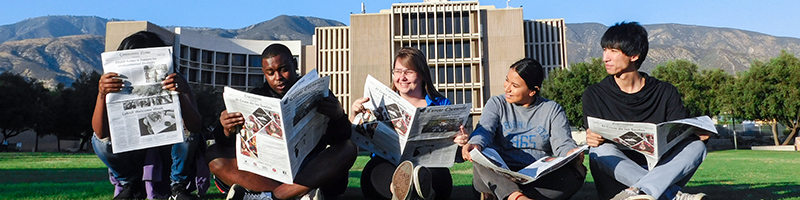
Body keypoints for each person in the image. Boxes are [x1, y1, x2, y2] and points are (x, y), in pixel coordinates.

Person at [206, 43, 357, 200]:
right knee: (214, 155)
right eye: (270, 73)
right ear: (264, 74)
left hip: (310, 169)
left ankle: (273, 197)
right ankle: (298, 195)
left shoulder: (318, 92)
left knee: (348, 148)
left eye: (283, 69)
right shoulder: (256, 96)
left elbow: (341, 137)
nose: (278, 78)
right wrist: (226, 129)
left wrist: (339, 115)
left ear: (294, 65)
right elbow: (228, 144)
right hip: (268, 173)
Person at [582, 22, 710, 200]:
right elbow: (596, 141)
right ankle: (672, 196)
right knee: (600, 151)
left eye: (613, 51)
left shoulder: (665, 91)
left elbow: (678, 136)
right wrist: (592, 138)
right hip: (616, 176)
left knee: (696, 147)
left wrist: (698, 135)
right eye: (604, 50)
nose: (605, 58)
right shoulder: (594, 94)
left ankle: (639, 193)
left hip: (659, 169)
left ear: (634, 55)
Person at [92, 31, 204, 200]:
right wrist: (102, 94)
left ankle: (177, 185)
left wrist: (179, 94)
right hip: (132, 150)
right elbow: (100, 135)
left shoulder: (177, 81)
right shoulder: (112, 84)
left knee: (186, 129)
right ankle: (130, 184)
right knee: (99, 141)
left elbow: (195, 127)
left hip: (168, 150)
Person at [350, 47, 469, 200]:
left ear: (422, 74)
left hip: (427, 165)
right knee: (376, 170)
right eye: (397, 72)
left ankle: (412, 190)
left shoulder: (441, 104)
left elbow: (457, 155)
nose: (402, 77)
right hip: (386, 164)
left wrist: (461, 141)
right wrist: (354, 116)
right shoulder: (380, 101)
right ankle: (400, 190)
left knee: (433, 173)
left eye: (408, 72)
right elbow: (354, 140)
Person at [461, 58, 586, 200]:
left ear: (532, 91)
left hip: (537, 179)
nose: (507, 88)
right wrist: (476, 143)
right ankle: (516, 197)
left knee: (577, 171)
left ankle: (504, 196)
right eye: (507, 80)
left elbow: (562, 143)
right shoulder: (497, 104)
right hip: (499, 175)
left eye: (514, 85)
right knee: (480, 156)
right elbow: (485, 130)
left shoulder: (551, 109)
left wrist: (572, 153)